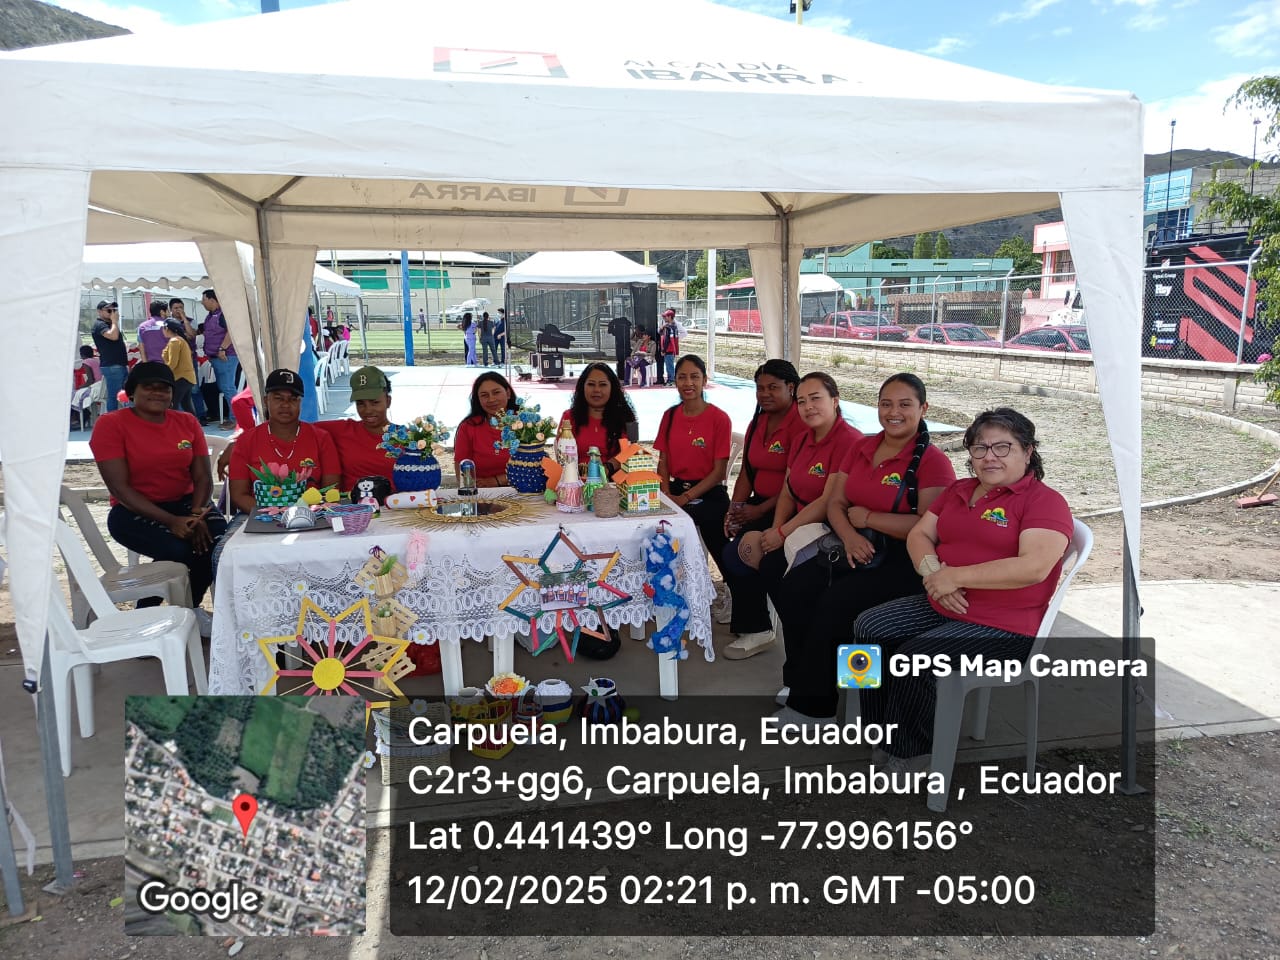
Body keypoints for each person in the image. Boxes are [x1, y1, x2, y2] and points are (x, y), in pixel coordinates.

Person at [852, 407, 1073, 766]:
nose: (989, 457)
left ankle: (915, 752)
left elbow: (1033, 568)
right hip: (942, 601)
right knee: (866, 627)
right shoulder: (959, 489)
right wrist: (934, 574)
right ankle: (879, 728)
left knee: (914, 658)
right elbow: (920, 535)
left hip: (1005, 626)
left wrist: (955, 577)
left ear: (1028, 451)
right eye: (979, 447)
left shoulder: (1044, 502)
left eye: (1003, 447)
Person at [765, 374, 955, 723]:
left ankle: (817, 707)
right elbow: (836, 503)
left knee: (836, 603)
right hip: (853, 546)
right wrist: (850, 537)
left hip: (904, 560)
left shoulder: (933, 461)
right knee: (794, 589)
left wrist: (870, 518)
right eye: (886, 404)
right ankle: (804, 681)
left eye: (904, 404)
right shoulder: (862, 447)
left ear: (923, 408)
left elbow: (930, 527)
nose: (893, 412)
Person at [89, 362, 227, 618]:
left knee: (219, 545)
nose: (157, 393)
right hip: (133, 511)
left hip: (188, 504)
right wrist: (171, 521)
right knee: (179, 550)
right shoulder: (111, 424)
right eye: (148, 387)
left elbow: (202, 477)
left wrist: (196, 515)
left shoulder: (187, 421)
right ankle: (148, 614)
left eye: (164, 388)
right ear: (132, 392)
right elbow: (119, 488)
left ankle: (187, 611)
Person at [716, 359, 802, 648]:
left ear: (791, 388)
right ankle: (749, 618)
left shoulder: (800, 424)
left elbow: (795, 483)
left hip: (789, 509)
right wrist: (735, 508)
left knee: (742, 552)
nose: (764, 394)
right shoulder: (758, 422)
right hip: (758, 504)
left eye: (773, 388)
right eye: (760, 388)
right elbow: (747, 472)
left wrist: (758, 511)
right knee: (727, 544)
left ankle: (759, 628)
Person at [654, 354, 733, 578]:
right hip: (675, 488)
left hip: (709, 492)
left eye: (695, 377)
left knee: (716, 538)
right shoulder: (669, 416)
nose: (688, 383)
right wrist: (666, 494)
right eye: (682, 377)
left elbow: (719, 472)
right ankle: (666, 583)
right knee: (652, 526)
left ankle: (732, 584)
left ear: (704, 380)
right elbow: (663, 461)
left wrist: (686, 498)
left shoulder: (719, 419)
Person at [226, 369, 341, 516]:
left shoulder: (321, 438)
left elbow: (331, 490)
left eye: (292, 399)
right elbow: (239, 495)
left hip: (313, 517)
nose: (285, 405)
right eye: (278, 398)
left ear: (300, 402)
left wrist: (304, 515)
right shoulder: (246, 441)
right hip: (261, 518)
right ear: (266, 400)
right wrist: (275, 515)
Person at [314, 366, 399, 491]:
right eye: (360, 404)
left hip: (394, 502)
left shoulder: (408, 439)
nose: (368, 410)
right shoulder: (341, 430)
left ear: (388, 401)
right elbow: (298, 428)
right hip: (350, 502)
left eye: (375, 402)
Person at [559, 363, 637, 468]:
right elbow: (561, 455)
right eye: (591, 384)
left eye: (603, 385)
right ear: (582, 387)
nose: (596, 390)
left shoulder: (628, 417)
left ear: (612, 387)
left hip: (616, 477)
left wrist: (607, 468)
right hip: (574, 477)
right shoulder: (568, 417)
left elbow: (633, 450)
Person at [454, 371, 519, 487]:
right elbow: (461, 465)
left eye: (496, 392)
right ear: (478, 399)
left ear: (508, 393)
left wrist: (497, 481)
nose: (491, 399)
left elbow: (535, 465)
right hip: (482, 492)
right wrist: (470, 487)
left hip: (523, 489)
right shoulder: (468, 427)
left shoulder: (526, 424)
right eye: (484, 395)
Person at [201, 289, 238, 428]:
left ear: (212, 300)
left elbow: (231, 332)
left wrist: (222, 348)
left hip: (225, 356)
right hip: (215, 357)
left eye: (204, 299)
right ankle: (232, 417)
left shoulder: (223, 314)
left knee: (228, 387)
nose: (202, 302)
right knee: (224, 387)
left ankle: (235, 419)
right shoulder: (210, 316)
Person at [169, 297, 208, 423]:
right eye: (176, 308)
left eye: (181, 307)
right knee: (179, 391)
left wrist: (184, 319)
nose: (178, 310)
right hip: (176, 360)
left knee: (194, 388)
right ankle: (181, 418)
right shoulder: (168, 323)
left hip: (190, 359)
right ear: (171, 310)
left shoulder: (191, 321)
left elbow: (192, 335)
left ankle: (201, 415)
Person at [92, 300, 128, 412]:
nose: (112, 312)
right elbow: (113, 336)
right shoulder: (100, 325)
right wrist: (115, 321)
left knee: (125, 394)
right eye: (109, 310)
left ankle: (124, 417)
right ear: (99, 311)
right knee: (114, 396)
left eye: (114, 310)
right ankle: (112, 419)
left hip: (119, 364)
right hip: (112, 365)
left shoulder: (110, 324)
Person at [161, 318, 197, 415]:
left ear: (167, 328)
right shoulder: (180, 340)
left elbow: (172, 363)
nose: (162, 330)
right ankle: (194, 423)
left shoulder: (174, 341)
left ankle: (172, 424)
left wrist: (163, 374)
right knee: (186, 405)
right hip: (186, 378)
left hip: (180, 378)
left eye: (163, 328)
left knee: (171, 405)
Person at [606, 315, 632, 382]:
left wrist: (613, 331)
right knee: (625, 361)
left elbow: (610, 331)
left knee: (621, 361)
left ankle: (621, 376)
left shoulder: (618, 324)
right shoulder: (626, 324)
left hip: (620, 345)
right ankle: (626, 375)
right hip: (625, 345)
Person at [658, 309, 680, 385]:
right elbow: (660, 332)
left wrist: (663, 350)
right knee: (669, 365)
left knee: (669, 365)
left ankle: (671, 380)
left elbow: (667, 340)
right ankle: (670, 380)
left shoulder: (668, 328)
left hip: (668, 349)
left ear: (670, 317)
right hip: (672, 349)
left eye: (665, 317)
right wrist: (662, 328)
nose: (664, 318)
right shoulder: (674, 326)